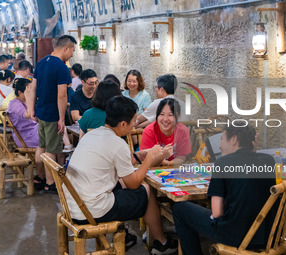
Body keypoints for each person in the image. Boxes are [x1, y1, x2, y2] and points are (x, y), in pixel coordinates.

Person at [64, 95, 177, 254]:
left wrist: (140, 156)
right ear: (123, 124)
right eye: (133, 121)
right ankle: (162, 242)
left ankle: (127, 236)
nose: (134, 125)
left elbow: (120, 167)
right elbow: (134, 184)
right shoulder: (118, 144)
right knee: (146, 190)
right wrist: (150, 158)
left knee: (122, 185)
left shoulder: (92, 134)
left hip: (73, 205)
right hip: (92, 210)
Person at [172, 123, 276, 255]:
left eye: (222, 139)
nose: (219, 146)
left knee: (180, 208)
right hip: (267, 235)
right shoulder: (268, 160)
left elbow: (216, 213)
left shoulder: (223, 163)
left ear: (234, 140)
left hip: (235, 236)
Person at [25, 35, 77, 193]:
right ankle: (50, 183)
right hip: (53, 114)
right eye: (73, 50)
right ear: (66, 48)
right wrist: (61, 118)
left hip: (41, 111)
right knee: (52, 150)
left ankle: (39, 177)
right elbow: (62, 95)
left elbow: (32, 88)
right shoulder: (61, 67)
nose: (72, 55)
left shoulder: (41, 62)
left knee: (41, 146)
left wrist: (32, 109)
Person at [7, 78, 46, 190]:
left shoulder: (24, 101)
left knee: (54, 129)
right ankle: (41, 175)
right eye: (29, 90)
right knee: (50, 138)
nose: (32, 92)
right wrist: (30, 98)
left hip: (33, 131)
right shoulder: (14, 104)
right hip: (25, 136)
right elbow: (29, 115)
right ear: (20, 92)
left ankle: (46, 175)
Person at [141, 98, 191, 166]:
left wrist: (167, 163)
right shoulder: (149, 131)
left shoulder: (183, 131)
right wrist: (162, 156)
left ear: (178, 116)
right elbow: (147, 163)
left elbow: (181, 158)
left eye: (170, 115)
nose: (165, 119)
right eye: (162, 114)